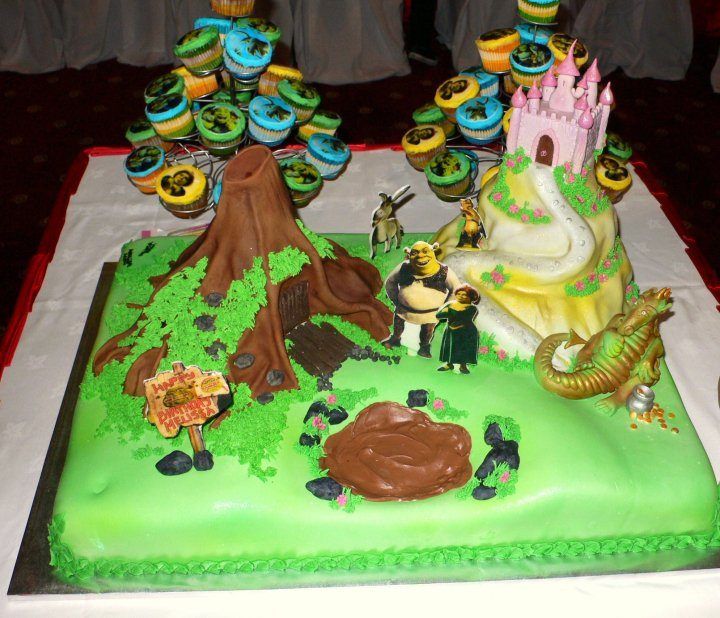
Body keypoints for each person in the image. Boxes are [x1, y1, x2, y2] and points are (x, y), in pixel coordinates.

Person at [436, 284, 480, 374]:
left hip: (466, 331)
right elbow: (439, 315)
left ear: (470, 297)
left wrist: (449, 312)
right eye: (458, 294)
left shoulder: (472, 308)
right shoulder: (451, 304)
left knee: (464, 348)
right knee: (450, 346)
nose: (460, 296)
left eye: (464, 294)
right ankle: (449, 364)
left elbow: (464, 319)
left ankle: (463, 366)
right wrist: (448, 313)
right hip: (451, 330)